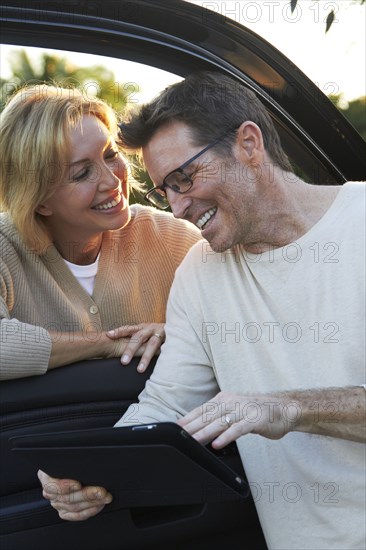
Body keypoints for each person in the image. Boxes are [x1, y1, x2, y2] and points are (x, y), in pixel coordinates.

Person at [38, 72, 365, 549]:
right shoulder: (200, 270)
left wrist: (288, 407)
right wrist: (94, 473)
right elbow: (169, 404)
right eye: (162, 191)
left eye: (184, 178)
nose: (177, 207)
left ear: (248, 145)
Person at [0, 84, 200, 380]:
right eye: (82, 173)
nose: (112, 180)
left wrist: (178, 334)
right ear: (39, 200)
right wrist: (105, 344)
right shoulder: (5, 248)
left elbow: (238, 324)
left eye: (110, 154)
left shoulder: (174, 238)